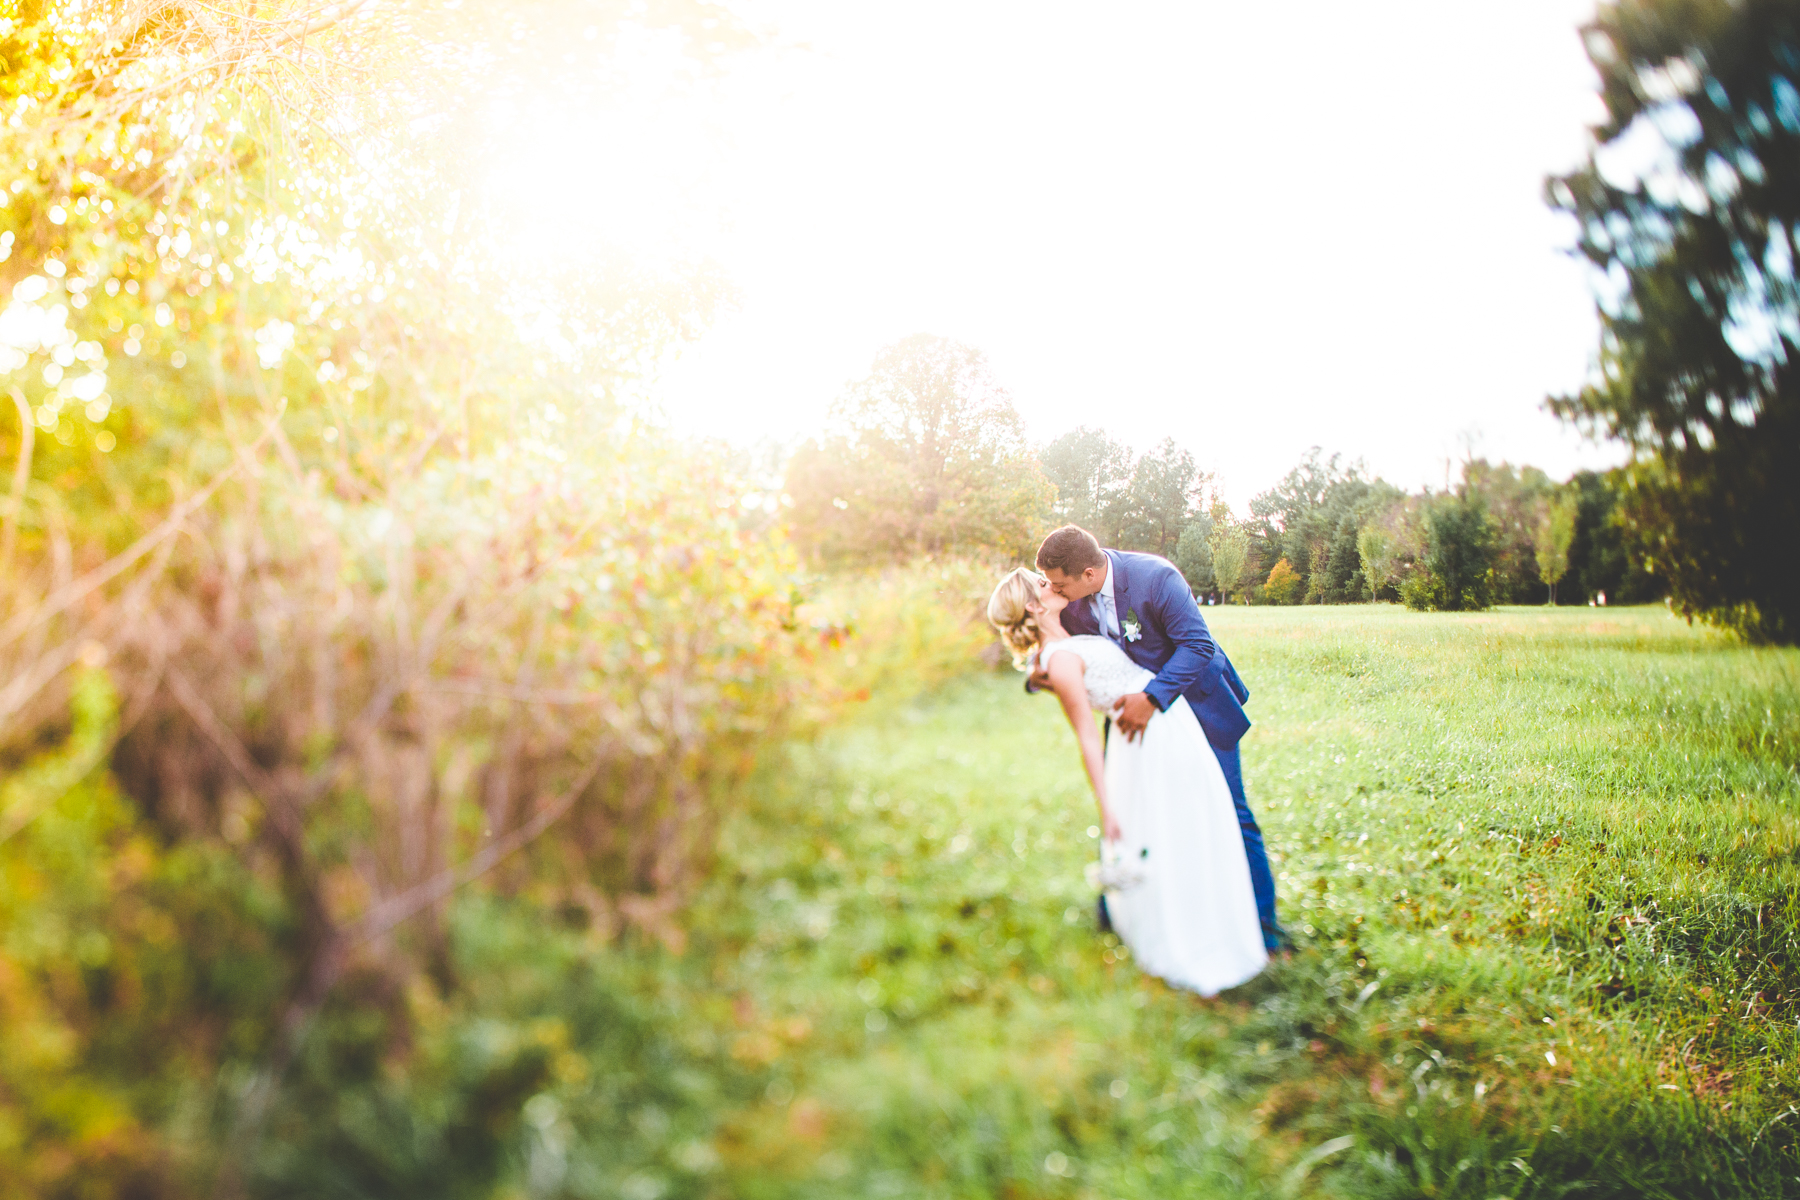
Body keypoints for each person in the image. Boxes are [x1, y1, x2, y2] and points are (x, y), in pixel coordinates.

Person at [987, 567, 1266, 996]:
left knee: (1210, 817)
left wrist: (1037, 667)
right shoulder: (1059, 654)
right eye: (1043, 584)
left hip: (1173, 718)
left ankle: (1243, 919)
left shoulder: (1083, 614)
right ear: (1032, 604)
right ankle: (1172, 926)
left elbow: (1189, 644)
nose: (1053, 585)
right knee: (1170, 826)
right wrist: (1107, 806)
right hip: (1144, 739)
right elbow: (1083, 734)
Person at [1030, 525, 1287, 953]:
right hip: (1131, 720)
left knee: (1231, 810)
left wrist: (1152, 698)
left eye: (1060, 583)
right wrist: (1037, 673)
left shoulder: (1155, 578)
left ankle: (1263, 927)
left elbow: (1197, 646)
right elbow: (1063, 649)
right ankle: (1119, 913)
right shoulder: (1071, 600)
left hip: (1197, 706)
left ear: (1090, 574)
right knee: (1127, 807)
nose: (1053, 590)